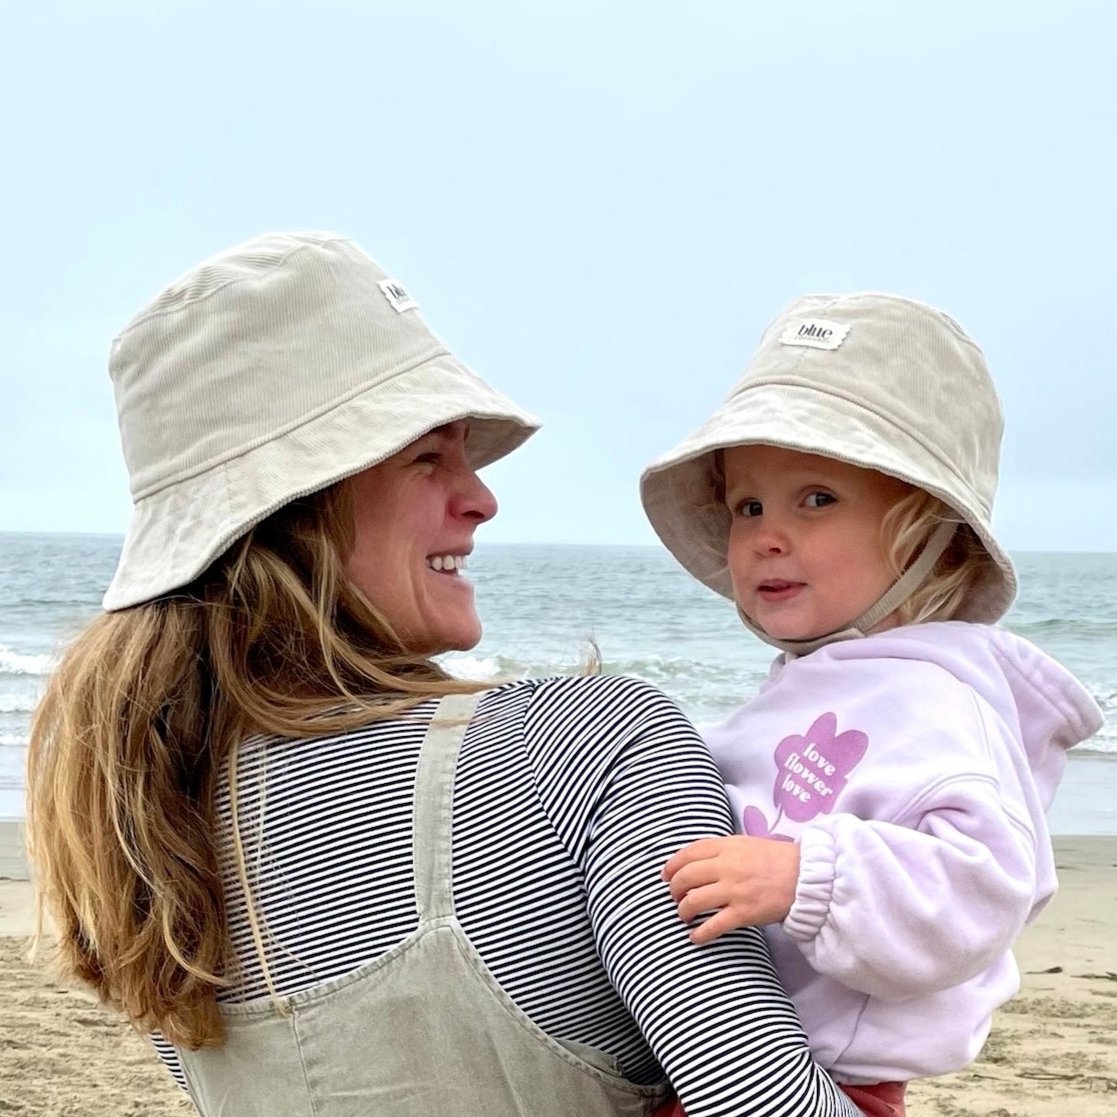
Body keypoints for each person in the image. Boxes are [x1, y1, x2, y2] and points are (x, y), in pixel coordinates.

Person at [26, 233, 861, 1117]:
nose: (481, 496)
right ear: (297, 506)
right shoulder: (583, 749)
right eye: (427, 456)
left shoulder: (147, 827)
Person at [640, 292, 1103, 1117]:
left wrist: (806, 877)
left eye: (815, 498)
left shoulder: (938, 695)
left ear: (933, 534)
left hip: (818, 1081)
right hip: (707, 1047)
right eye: (747, 505)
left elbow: (982, 888)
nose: (764, 535)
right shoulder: (819, 678)